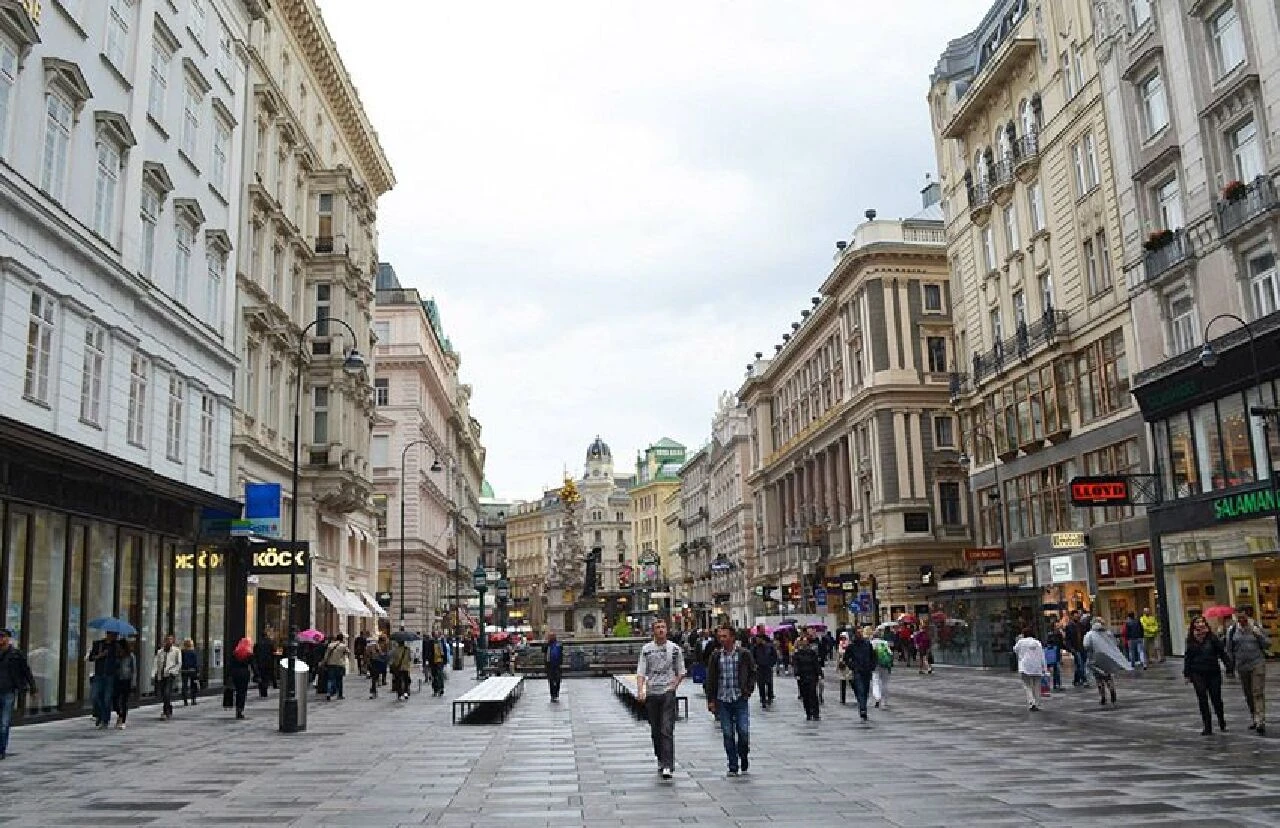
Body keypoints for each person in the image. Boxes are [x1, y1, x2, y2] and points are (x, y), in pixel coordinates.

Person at [636, 619, 685, 780]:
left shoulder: (675, 649)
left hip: (667, 692)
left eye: (663, 627)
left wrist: (674, 686)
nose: (661, 630)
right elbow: (641, 672)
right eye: (657, 627)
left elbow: (681, 671)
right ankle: (660, 757)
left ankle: (668, 765)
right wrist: (641, 690)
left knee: (666, 729)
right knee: (655, 730)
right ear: (653, 631)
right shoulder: (647, 649)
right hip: (652, 693)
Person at [705, 625, 755, 777]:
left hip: (739, 698)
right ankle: (733, 765)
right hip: (723, 699)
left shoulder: (744, 654)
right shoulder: (716, 656)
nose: (722, 639)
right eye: (720, 637)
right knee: (727, 733)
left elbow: (753, 672)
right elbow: (711, 679)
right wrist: (711, 700)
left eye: (725, 636)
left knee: (743, 731)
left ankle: (744, 755)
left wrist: (748, 690)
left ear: (732, 637)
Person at [1184, 614, 1231, 735]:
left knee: (1216, 698)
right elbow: (1188, 657)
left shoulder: (1212, 638)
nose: (1200, 624)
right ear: (1193, 625)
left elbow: (1221, 652)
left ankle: (1221, 719)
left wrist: (1228, 666)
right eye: (1197, 622)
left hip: (1212, 671)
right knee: (1202, 698)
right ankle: (1207, 725)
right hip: (1197, 672)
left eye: (1202, 622)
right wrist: (1187, 673)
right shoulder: (1191, 639)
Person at [1227, 609, 1269, 735]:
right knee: (1248, 693)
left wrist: (1259, 635)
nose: (1242, 620)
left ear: (1248, 617)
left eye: (1244, 617)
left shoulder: (1256, 627)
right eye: (1239, 618)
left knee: (1257, 692)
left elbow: (1267, 644)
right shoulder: (1232, 630)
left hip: (1257, 663)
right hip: (1242, 666)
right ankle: (1253, 716)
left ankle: (1260, 720)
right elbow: (1229, 649)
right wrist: (1230, 666)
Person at [0, 628, 36, 758]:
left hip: (9, 691)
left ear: (8, 639)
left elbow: (26, 670)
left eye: (3, 637)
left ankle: (1, 750)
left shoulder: (16, 654)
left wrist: (32, 686)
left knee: (4, 723)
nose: (1, 639)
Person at [87, 630, 119, 729]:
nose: (114, 637)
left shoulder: (116, 646)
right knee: (95, 696)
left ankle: (105, 720)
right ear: (108, 634)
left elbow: (119, 659)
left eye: (115, 635)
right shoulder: (98, 644)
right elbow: (91, 658)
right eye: (113, 635)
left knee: (107, 698)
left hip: (110, 675)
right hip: (99, 674)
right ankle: (100, 715)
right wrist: (100, 655)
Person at [841, 627, 875, 721]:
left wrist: (872, 666)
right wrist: (853, 666)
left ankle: (863, 706)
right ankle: (863, 709)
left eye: (861, 632)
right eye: (858, 632)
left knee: (865, 691)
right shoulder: (852, 646)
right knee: (860, 690)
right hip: (857, 671)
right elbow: (846, 659)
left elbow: (872, 656)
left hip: (867, 670)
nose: (860, 634)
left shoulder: (867, 644)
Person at [1084, 619, 1119, 706]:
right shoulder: (1108, 633)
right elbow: (1115, 643)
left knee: (1099, 678)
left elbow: (1086, 645)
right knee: (1108, 676)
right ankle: (1112, 690)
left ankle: (1103, 696)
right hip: (1107, 658)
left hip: (1095, 658)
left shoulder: (1090, 634)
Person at [1013, 627, 1047, 711]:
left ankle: (1031, 702)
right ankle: (1037, 703)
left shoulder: (1021, 642)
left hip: (1025, 666)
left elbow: (1015, 649)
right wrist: (1044, 667)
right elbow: (1042, 656)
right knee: (1037, 686)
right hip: (1037, 667)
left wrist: (1018, 640)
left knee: (1027, 685)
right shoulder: (1037, 642)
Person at [792, 633, 823, 721]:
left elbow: (816, 664)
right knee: (805, 695)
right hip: (803, 677)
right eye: (803, 643)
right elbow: (796, 665)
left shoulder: (812, 653)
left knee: (813, 694)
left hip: (812, 676)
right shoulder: (798, 654)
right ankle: (808, 712)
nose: (804, 644)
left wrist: (820, 674)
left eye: (805, 642)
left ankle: (816, 713)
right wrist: (797, 674)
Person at [153, 634, 181, 720]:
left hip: (170, 674)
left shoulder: (176, 651)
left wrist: (173, 671)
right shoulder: (160, 651)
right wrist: (153, 674)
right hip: (161, 675)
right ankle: (169, 707)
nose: (168, 642)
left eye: (170, 640)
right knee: (163, 694)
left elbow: (179, 663)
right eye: (167, 640)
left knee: (167, 692)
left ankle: (165, 711)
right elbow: (156, 663)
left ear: (173, 641)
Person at [229, 637, 255, 719]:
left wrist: (229, 675)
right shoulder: (249, 654)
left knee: (237, 691)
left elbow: (230, 665)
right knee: (242, 692)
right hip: (244, 674)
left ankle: (237, 708)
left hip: (235, 673)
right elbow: (253, 665)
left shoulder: (235, 653)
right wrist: (256, 674)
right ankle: (240, 709)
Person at [869, 626, 894, 710]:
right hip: (885, 665)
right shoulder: (885, 642)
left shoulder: (871, 643)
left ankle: (877, 697)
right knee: (885, 683)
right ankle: (885, 701)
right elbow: (890, 654)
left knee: (875, 681)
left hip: (875, 665)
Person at [112, 639, 135, 729]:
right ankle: (119, 714)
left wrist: (133, 682)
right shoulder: (115, 656)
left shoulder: (130, 656)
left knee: (124, 701)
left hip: (126, 679)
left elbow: (133, 670)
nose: (118, 649)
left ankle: (122, 720)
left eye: (119, 647)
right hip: (117, 679)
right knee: (115, 700)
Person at [750, 633, 776, 708]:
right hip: (759, 668)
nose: (757, 640)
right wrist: (755, 664)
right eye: (756, 639)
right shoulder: (755, 648)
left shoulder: (769, 647)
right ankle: (763, 699)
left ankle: (770, 696)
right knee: (761, 684)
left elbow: (774, 656)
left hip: (767, 667)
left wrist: (772, 663)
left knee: (769, 683)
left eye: (758, 639)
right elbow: (752, 657)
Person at [1064, 611, 1088, 687]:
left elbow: (1085, 635)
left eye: (1077, 615)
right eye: (1075, 616)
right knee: (1080, 664)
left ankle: (1076, 680)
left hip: (1082, 647)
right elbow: (1067, 639)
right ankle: (1084, 680)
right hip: (1075, 648)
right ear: (1072, 616)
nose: (1077, 617)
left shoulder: (1081, 625)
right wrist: (1070, 648)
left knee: (1080, 665)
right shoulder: (1069, 626)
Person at [322, 633, 349, 701]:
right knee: (339, 680)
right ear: (342, 638)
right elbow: (348, 653)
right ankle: (339, 695)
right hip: (340, 664)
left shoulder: (330, 645)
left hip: (331, 664)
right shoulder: (343, 646)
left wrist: (324, 662)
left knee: (330, 679)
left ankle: (328, 692)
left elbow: (326, 655)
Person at [425, 631, 448, 697]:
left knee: (440, 675)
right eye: (435, 635)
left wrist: (445, 660)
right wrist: (427, 660)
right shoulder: (431, 642)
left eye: (437, 635)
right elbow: (428, 652)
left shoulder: (441, 642)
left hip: (440, 661)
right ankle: (435, 689)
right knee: (434, 676)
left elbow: (444, 651)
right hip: (433, 662)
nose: (436, 636)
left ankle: (441, 688)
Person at [1044, 626, 1066, 691]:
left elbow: (1047, 644)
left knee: (1054, 670)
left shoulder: (1050, 635)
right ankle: (1057, 684)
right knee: (1056, 670)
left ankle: (1054, 685)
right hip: (1056, 654)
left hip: (1051, 655)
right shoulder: (1058, 635)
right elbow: (1061, 645)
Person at [545, 630, 564, 702]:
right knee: (551, 681)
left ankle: (555, 694)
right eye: (550, 636)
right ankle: (553, 695)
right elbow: (543, 650)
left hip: (556, 665)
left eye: (551, 636)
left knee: (557, 680)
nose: (550, 637)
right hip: (550, 665)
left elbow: (561, 653)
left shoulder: (558, 644)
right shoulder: (548, 645)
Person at [180, 638, 201, 705]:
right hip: (192, 670)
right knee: (193, 685)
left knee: (184, 685)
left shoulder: (182, 652)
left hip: (184, 670)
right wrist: (197, 671)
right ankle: (193, 700)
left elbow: (180, 661)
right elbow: (196, 663)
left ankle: (185, 701)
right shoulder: (193, 652)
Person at [835, 632, 851, 704]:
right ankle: (843, 698)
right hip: (842, 666)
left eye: (844, 637)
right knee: (842, 682)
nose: (843, 639)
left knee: (851, 681)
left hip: (848, 666)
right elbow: (838, 656)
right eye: (841, 638)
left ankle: (858, 695)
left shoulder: (850, 645)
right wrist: (837, 666)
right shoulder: (840, 645)